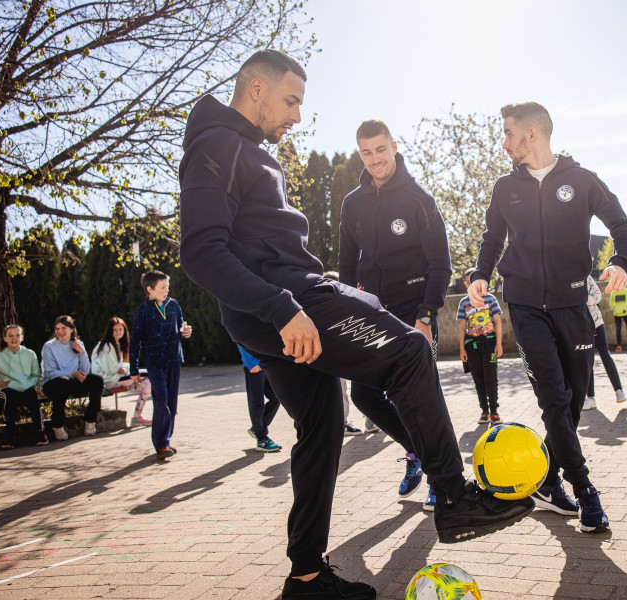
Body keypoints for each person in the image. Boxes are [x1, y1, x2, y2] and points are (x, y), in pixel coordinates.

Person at [178, 50, 533, 600]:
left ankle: (307, 578)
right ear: (255, 89)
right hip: (289, 303)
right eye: (291, 100)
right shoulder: (217, 145)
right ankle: (454, 497)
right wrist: (282, 309)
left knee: (322, 424)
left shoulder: (245, 149)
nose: (296, 116)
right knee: (410, 353)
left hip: (283, 302)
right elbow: (201, 253)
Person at [468, 101, 627, 532]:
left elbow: (622, 223)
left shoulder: (580, 181)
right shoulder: (506, 188)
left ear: (532, 135)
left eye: (508, 133)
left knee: (574, 400)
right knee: (555, 400)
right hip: (524, 305)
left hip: (573, 303)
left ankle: (544, 481)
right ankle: (584, 491)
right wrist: (480, 273)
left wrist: (620, 262)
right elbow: (492, 237)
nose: (503, 143)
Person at [338, 119, 453, 509]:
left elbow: (441, 263)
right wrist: (346, 315)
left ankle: (439, 476)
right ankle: (417, 451)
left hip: (414, 310)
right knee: (365, 395)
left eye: (380, 150)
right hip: (371, 312)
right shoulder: (351, 204)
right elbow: (346, 268)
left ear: (394, 147)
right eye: (366, 152)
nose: (375, 159)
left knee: (421, 397)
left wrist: (425, 315)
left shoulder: (419, 199)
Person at [129, 270, 193, 459]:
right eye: (163, 287)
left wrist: (186, 331)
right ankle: (161, 444)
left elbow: (181, 325)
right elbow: (135, 342)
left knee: (172, 405)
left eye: (167, 286)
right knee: (161, 401)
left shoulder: (174, 305)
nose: (167, 290)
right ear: (150, 289)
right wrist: (134, 369)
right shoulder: (141, 312)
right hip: (155, 363)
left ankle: (166, 441)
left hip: (174, 359)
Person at [0, 324, 48, 448]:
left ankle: (41, 433)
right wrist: (4, 384)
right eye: (10, 336)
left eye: (17, 335)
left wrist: (27, 384)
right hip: (7, 390)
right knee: (8, 397)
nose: (14, 338)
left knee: (32, 396)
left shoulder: (30, 354)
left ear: (22, 338)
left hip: (26, 389)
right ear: (5, 338)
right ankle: (11, 435)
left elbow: (36, 376)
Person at [41, 315, 104, 440]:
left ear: (71, 329)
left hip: (73, 382)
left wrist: (82, 352)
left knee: (97, 380)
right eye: (57, 329)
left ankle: (90, 420)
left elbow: (85, 371)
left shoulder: (78, 344)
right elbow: (51, 372)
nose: (60, 332)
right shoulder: (49, 347)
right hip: (53, 384)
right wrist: (72, 374)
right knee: (62, 382)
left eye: (63, 328)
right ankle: (57, 425)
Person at [456, 267, 503, 424]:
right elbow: (462, 326)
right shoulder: (463, 303)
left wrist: (498, 344)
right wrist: (462, 348)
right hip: (472, 346)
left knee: (491, 378)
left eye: (474, 282)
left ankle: (494, 412)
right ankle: (484, 411)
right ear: (465, 284)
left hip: (489, 343)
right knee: (478, 379)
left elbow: (497, 322)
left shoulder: (490, 299)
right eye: (469, 282)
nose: (472, 285)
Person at [320, 271, 364, 436]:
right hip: (330, 358)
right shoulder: (328, 307)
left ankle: (340, 423)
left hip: (336, 357)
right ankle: (339, 424)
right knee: (338, 392)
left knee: (340, 392)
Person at [91, 316, 153, 425]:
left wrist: (124, 367)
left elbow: (120, 367)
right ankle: (164, 405)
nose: (118, 332)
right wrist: (123, 368)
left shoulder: (117, 344)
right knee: (149, 374)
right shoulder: (107, 345)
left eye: (120, 329)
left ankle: (137, 417)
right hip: (108, 380)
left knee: (147, 383)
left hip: (116, 378)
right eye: (114, 330)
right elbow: (112, 369)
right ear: (110, 331)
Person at [584, 276, 627, 410]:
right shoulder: (565, 279)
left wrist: (584, 300)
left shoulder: (587, 277)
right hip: (582, 328)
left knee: (605, 355)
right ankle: (590, 398)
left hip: (597, 324)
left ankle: (619, 391)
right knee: (588, 361)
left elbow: (597, 295)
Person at [238, 344, 282, 452]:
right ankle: (262, 439)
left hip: (267, 362)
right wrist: (250, 362)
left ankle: (258, 428)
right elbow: (239, 337)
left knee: (276, 397)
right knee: (257, 402)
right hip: (253, 364)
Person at [610, 286, 627, 351]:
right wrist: (614, 309)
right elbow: (611, 303)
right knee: (618, 330)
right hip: (616, 314)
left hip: (626, 313)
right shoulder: (613, 293)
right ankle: (619, 346)